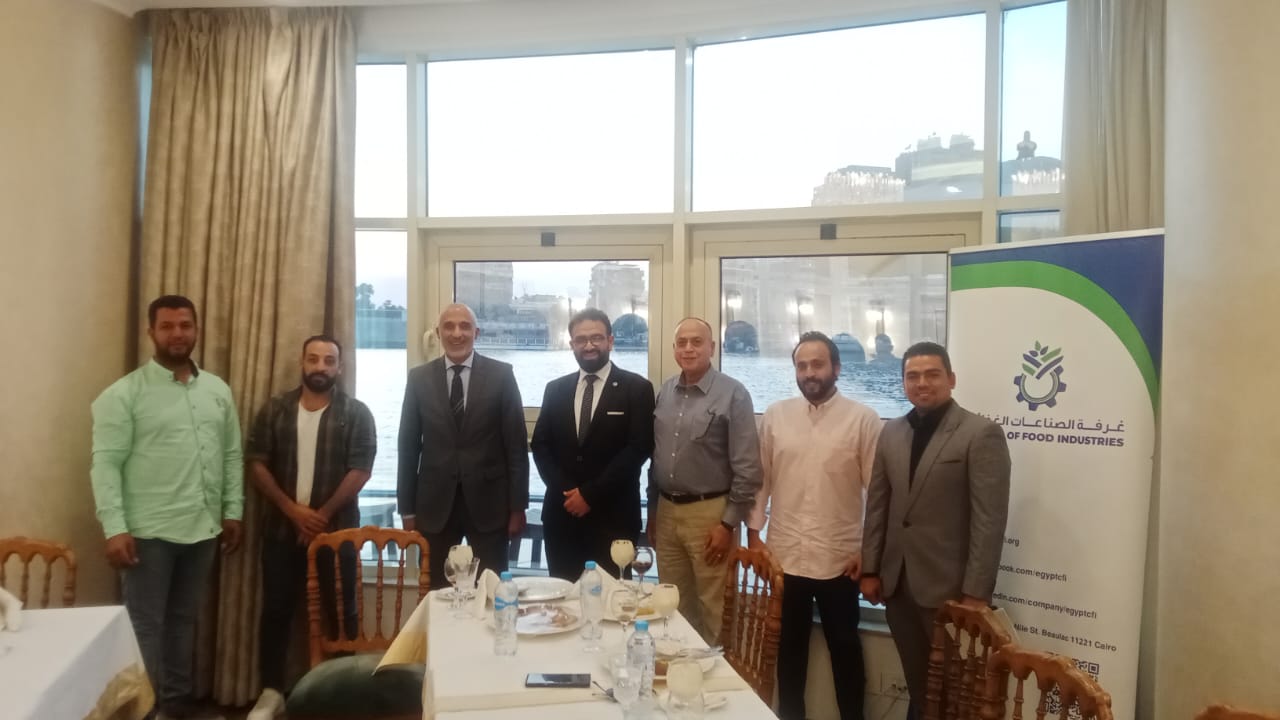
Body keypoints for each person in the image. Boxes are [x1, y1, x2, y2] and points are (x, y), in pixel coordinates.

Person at [90, 295, 243, 720]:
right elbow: (105, 464)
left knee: (183, 621)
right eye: (168, 326)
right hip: (147, 533)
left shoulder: (217, 390)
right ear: (151, 332)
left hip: (203, 527)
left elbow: (231, 454)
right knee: (145, 626)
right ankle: (144, 711)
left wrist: (233, 510)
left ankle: (176, 706)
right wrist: (114, 527)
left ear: (196, 330)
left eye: (185, 325)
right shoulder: (123, 395)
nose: (177, 333)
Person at [860, 342, 1011, 719]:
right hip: (898, 587)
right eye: (912, 376)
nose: (922, 383)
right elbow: (878, 506)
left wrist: (976, 593)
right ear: (903, 382)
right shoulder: (892, 432)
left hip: (951, 591)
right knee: (920, 686)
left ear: (951, 379)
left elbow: (989, 520)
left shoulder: (981, 433)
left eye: (932, 374)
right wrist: (871, 570)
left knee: (957, 692)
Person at [748, 332, 881, 720]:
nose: (809, 373)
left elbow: (878, 495)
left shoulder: (863, 420)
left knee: (845, 649)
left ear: (836, 368)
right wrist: (754, 537)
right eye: (802, 365)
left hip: (841, 559)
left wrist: (868, 553)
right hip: (784, 556)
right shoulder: (776, 416)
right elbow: (760, 481)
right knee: (789, 652)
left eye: (817, 364)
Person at [244, 335, 376, 720]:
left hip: (337, 534)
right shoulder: (275, 410)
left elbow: (361, 469)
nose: (321, 367)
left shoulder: (356, 413)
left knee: (342, 615)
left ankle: (344, 695)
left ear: (340, 367)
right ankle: (271, 692)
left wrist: (320, 515)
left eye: (329, 361)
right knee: (276, 611)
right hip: (281, 532)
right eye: (313, 359)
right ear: (302, 363)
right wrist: (294, 512)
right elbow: (256, 462)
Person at [647, 317, 762, 644]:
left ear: (712, 347)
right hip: (666, 512)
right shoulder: (665, 392)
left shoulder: (733, 394)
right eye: (682, 343)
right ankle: (680, 670)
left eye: (697, 342)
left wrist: (727, 525)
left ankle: (717, 676)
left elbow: (748, 468)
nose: (688, 349)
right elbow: (656, 457)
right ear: (674, 349)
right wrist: (652, 512)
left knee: (716, 608)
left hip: (710, 515)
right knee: (672, 605)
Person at [397, 303, 529, 589]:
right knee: (438, 591)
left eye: (465, 326)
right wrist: (406, 509)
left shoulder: (501, 375)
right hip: (434, 506)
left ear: (476, 333)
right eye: (449, 326)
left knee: (492, 589)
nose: (457, 333)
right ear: (438, 333)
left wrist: (518, 507)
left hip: (490, 505)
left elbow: (516, 447)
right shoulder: (418, 379)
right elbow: (407, 447)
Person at [531, 309, 655, 580]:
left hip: (614, 519)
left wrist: (589, 495)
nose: (589, 345)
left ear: (610, 341)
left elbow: (638, 448)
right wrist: (568, 493)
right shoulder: (555, 389)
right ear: (571, 344)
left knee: (612, 600)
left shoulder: (637, 389)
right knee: (563, 598)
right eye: (581, 339)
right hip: (562, 517)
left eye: (596, 337)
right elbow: (540, 445)